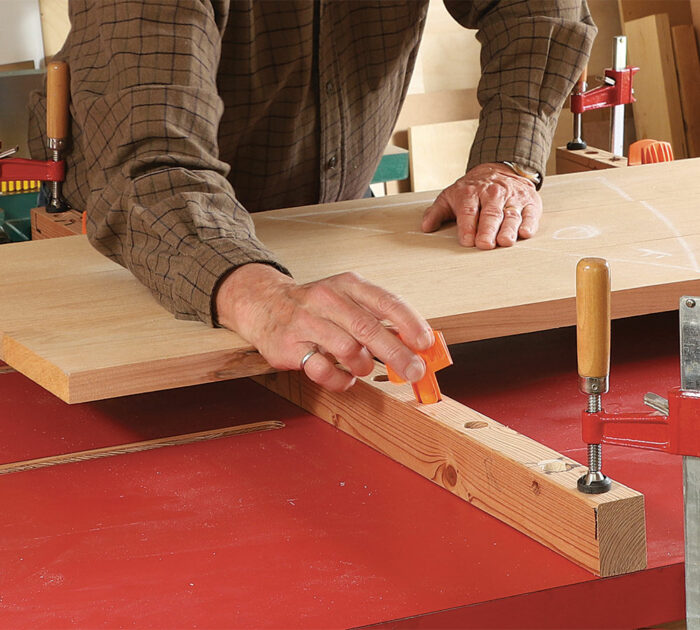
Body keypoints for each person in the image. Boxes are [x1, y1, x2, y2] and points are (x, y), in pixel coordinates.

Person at [29, 0, 596, 393]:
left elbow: (536, 10)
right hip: (144, 240)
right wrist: (259, 294)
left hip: (324, 216)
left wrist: (507, 157)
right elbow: (151, 161)